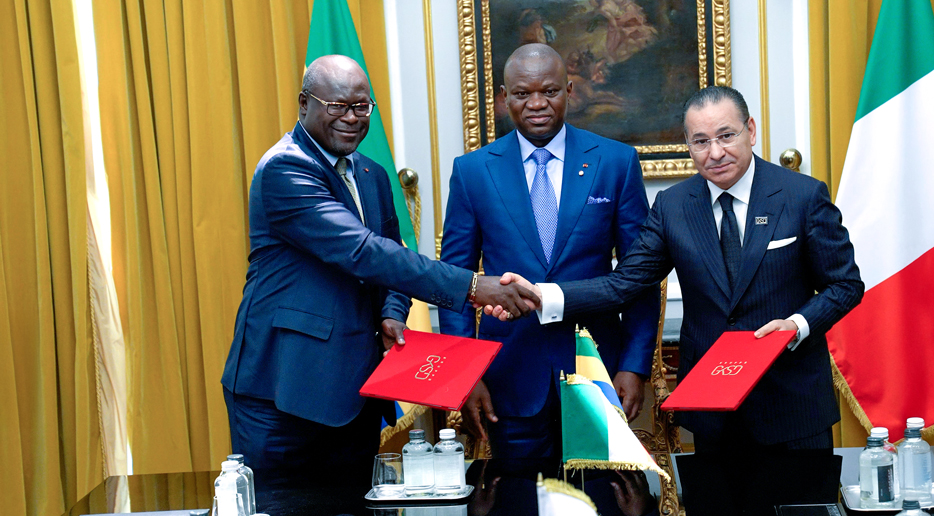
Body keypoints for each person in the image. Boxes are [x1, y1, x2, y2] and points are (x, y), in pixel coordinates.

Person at [220, 55, 537, 488]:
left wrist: (391, 312)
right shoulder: (285, 169)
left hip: (355, 387)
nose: (351, 118)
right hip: (283, 390)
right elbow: (363, 252)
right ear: (303, 104)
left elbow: (393, 254)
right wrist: (471, 286)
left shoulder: (372, 174)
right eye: (336, 106)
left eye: (361, 106)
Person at [494, 85, 863, 451]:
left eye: (726, 136)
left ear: (750, 130)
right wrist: (542, 295)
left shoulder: (803, 195)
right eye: (700, 142)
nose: (715, 153)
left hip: (792, 402)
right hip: (713, 410)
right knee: (718, 512)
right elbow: (624, 283)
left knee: (803, 511)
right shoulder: (673, 207)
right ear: (688, 146)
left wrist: (796, 326)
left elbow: (845, 285)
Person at [439, 44, 659, 458]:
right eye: (523, 94)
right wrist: (464, 376)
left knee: (600, 507)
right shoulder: (472, 171)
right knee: (518, 507)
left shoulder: (615, 162)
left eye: (550, 91)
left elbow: (640, 277)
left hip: (598, 368)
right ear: (504, 98)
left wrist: (633, 365)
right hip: (508, 376)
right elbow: (456, 281)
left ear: (570, 90)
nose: (537, 104)